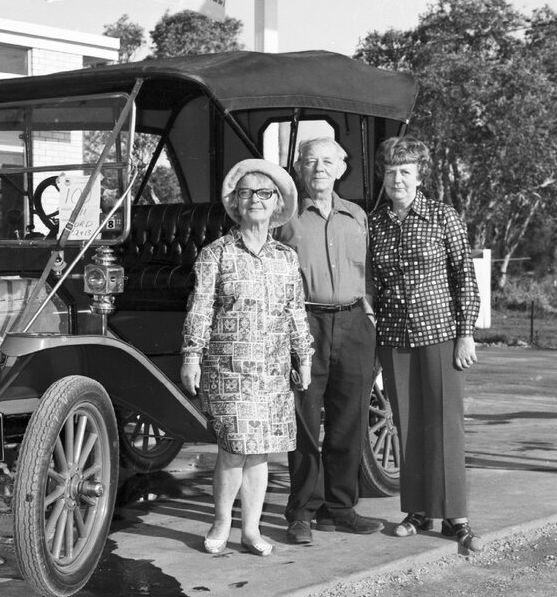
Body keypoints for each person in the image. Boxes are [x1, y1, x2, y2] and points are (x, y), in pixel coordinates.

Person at [181, 159, 313, 557]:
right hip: (229, 369)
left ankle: (251, 531)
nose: (254, 199)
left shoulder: (286, 258)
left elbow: (295, 311)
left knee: (261, 452)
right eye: (246, 193)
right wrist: (191, 356)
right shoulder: (215, 253)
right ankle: (221, 524)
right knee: (234, 448)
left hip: (272, 370)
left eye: (264, 193)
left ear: (276, 205)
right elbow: (200, 308)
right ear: (235, 204)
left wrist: (303, 357)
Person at [369, 137, 484, 551]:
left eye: (405, 171)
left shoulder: (441, 216)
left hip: (440, 334)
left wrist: (466, 333)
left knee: (445, 425)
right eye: (390, 171)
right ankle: (417, 510)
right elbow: (374, 286)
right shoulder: (375, 223)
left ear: (419, 176)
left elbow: (463, 275)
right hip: (395, 338)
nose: (397, 179)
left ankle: (456, 517)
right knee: (408, 425)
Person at [277, 137, 382, 544]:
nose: (319, 168)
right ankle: (302, 511)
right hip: (306, 324)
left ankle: (340, 509)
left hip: (355, 324)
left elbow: (371, 270)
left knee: (348, 420)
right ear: (300, 170)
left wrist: (369, 311)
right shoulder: (285, 219)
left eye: (327, 161)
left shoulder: (358, 217)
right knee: (303, 421)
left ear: (341, 168)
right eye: (310, 161)